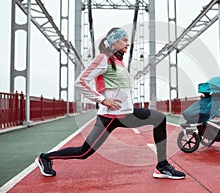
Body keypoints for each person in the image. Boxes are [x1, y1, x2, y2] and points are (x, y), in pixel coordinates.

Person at [35, 27, 186, 180]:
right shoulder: (103, 58)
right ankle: (45, 158)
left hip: (128, 113)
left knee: (159, 118)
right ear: (114, 41)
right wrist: (102, 99)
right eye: (125, 40)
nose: (129, 43)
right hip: (110, 116)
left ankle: (162, 166)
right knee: (84, 152)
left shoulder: (119, 61)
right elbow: (80, 82)